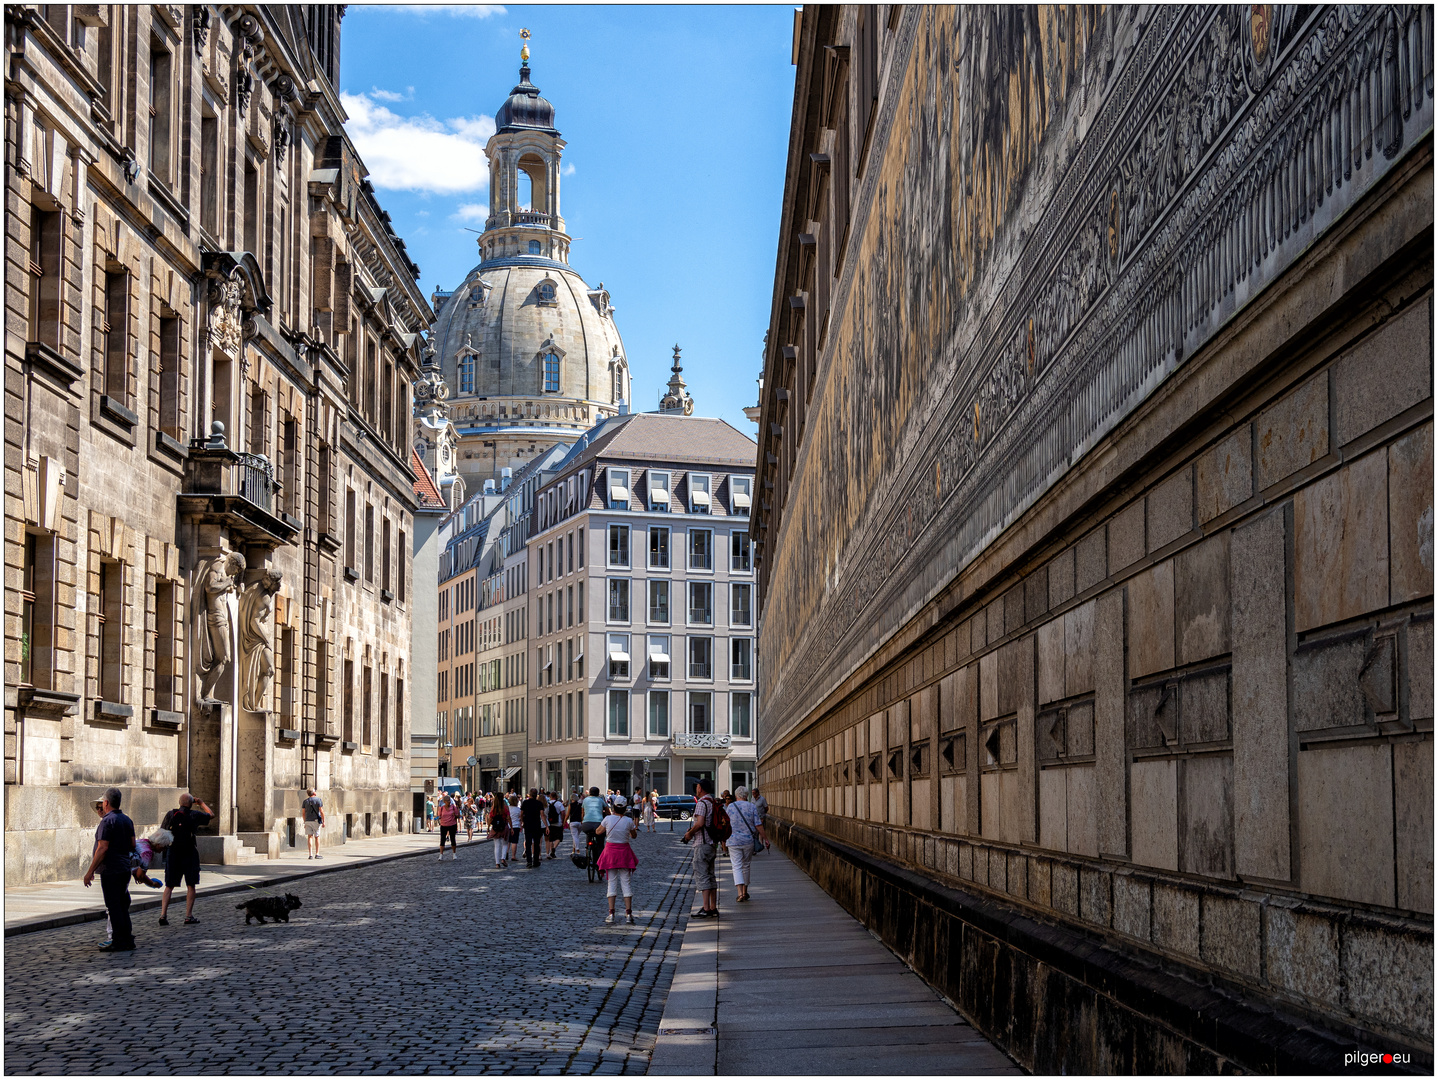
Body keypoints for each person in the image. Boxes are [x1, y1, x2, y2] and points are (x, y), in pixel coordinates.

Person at [84, 789, 137, 951]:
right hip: (123, 868)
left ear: (106, 803)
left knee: (114, 906)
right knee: (122, 904)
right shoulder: (126, 820)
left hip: (111, 869)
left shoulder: (107, 821)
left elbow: (102, 848)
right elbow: (133, 844)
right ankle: (127, 939)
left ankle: (119, 940)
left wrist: (90, 871)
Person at [160, 792, 213, 926]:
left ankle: (163, 915)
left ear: (179, 803)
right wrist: (201, 803)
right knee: (191, 885)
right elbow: (211, 815)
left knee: (169, 885)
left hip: (173, 853)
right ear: (191, 804)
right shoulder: (194, 815)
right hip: (189, 853)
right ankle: (188, 916)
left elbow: (162, 833)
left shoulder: (171, 814)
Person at [681, 779, 721, 919]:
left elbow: (700, 823)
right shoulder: (712, 801)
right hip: (711, 844)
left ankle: (705, 908)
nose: (696, 789)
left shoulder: (702, 803)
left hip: (702, 843)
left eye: (697, 786)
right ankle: (713, 906)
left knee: (702, 875)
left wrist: (689, 834)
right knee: (711, 875)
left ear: (701, 789)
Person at [596, 795, 639, 924]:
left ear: (614, 806)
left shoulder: (608, 819)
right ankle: (628, 914)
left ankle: (611, 913)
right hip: (624, 852)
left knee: (612, 883)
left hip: (610, 852)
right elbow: (634, 835)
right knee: (626, 883)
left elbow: (598, 832)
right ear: (625, 808)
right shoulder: (628, 821)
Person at [725, 786, 769, 904]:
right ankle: (745, 891)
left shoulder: (730, 807)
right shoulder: (751, 806)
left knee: (736, 866)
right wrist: (765, 839)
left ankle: (740, 893)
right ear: (746, 796)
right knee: (746, 865)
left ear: (736, 796)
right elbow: (758, 824)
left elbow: (725, 823)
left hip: (733, 840)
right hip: (748, 840)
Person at [519, 788, 546, 868]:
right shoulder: (539, 803)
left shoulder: (525, 803)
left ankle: (529, 861)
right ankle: (536, 861)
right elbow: (542, 815)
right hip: (536, 825)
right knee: (537, 844)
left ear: (530, 794)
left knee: (528, 843)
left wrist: (522, 822)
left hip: (528, 825)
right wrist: (547, 826)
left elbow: (521, 814)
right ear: (536, 794)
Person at [488, 794, 511, 868]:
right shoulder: (505, 808)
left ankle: (497, 863)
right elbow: (508, 818)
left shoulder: (493, 809)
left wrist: (488, 827)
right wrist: (512, 827)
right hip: (504, 827)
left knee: (497, 845)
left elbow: (490, 819)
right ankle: (503, 858)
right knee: (505, 843)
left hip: (495, 828)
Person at [301, 787, 325, 859]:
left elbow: (303, 813)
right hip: (315, 820)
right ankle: (317, 853)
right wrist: (323, 821)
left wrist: (305, 821)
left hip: (308, 820)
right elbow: (321, 811)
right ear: (314, 793)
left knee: (309, 836)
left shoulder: (305, 801)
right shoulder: (318, 800)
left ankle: (310, 854)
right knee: (317, 836)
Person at [436, 793, 461, 860]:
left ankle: (454, 854)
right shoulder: (442, 808)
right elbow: (439, 815)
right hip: (443, 825)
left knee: (453, 839)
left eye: (449, 800)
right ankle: (441, 855)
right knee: (442, 840)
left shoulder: (453, 807)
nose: (449, 802)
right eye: (447, 801)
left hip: (452, 824)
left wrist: (455, 814)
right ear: (444, 802)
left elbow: (458, 816)